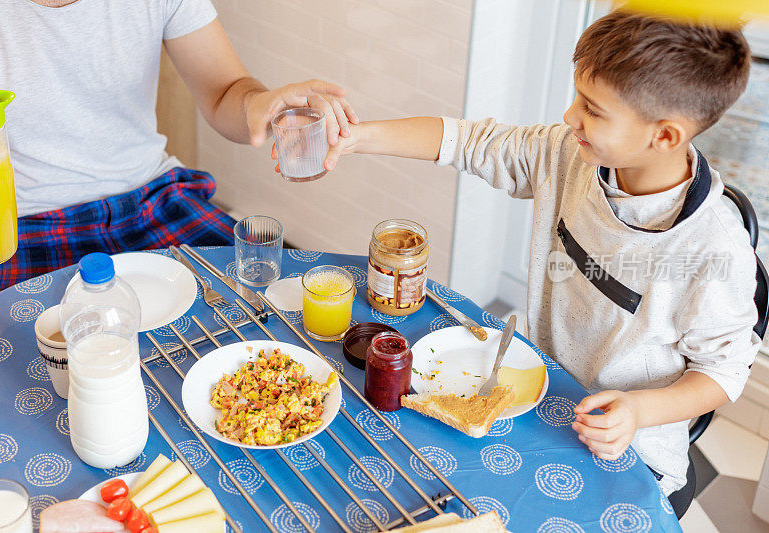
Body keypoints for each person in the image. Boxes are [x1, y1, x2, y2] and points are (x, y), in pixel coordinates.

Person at [312, 10, 761, 515]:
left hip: (628, 447)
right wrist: (357, 137)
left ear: (664, 136)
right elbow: (468, 141)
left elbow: (722, 373)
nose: (570, 118)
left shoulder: (714, 249)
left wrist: (639, 410)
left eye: (592, 109)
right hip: (538, 396)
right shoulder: (571, 153)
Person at [0, 0, 356, 303]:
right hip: (13, 226)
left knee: (274, 310)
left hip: (151, 201)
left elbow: (225, 90)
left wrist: (260, 105)